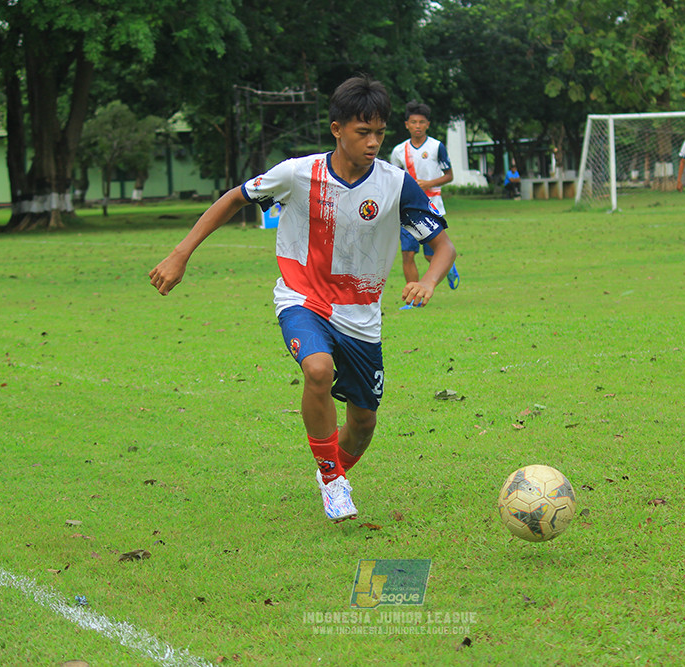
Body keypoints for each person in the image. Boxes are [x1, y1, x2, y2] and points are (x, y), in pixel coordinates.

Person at [148, 76, 456, 523]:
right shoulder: (297, 173)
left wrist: (428, 280)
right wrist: (180, 254)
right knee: (317, 369)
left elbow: (443, 245)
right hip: (302, 296)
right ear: (336, 129)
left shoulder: (396, 184)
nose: (372, 143)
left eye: (379, 133)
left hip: (362, 315)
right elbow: (235, 198)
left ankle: (333, 473)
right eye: (361, 132)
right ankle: (332, 480)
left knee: (364, 423)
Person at [389, 101, 460, 304]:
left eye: (421, 122)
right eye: (413, 122)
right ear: (406, 125)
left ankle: (448, 266)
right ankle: (413, 299)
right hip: (407, 210)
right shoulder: (398, 151)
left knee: (432, 256)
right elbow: (394, 178)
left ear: (427, 124)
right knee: (408, 254)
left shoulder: (437, 147)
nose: (417, 126)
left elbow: (449, 176)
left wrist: (428, 183)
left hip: (432, 206)